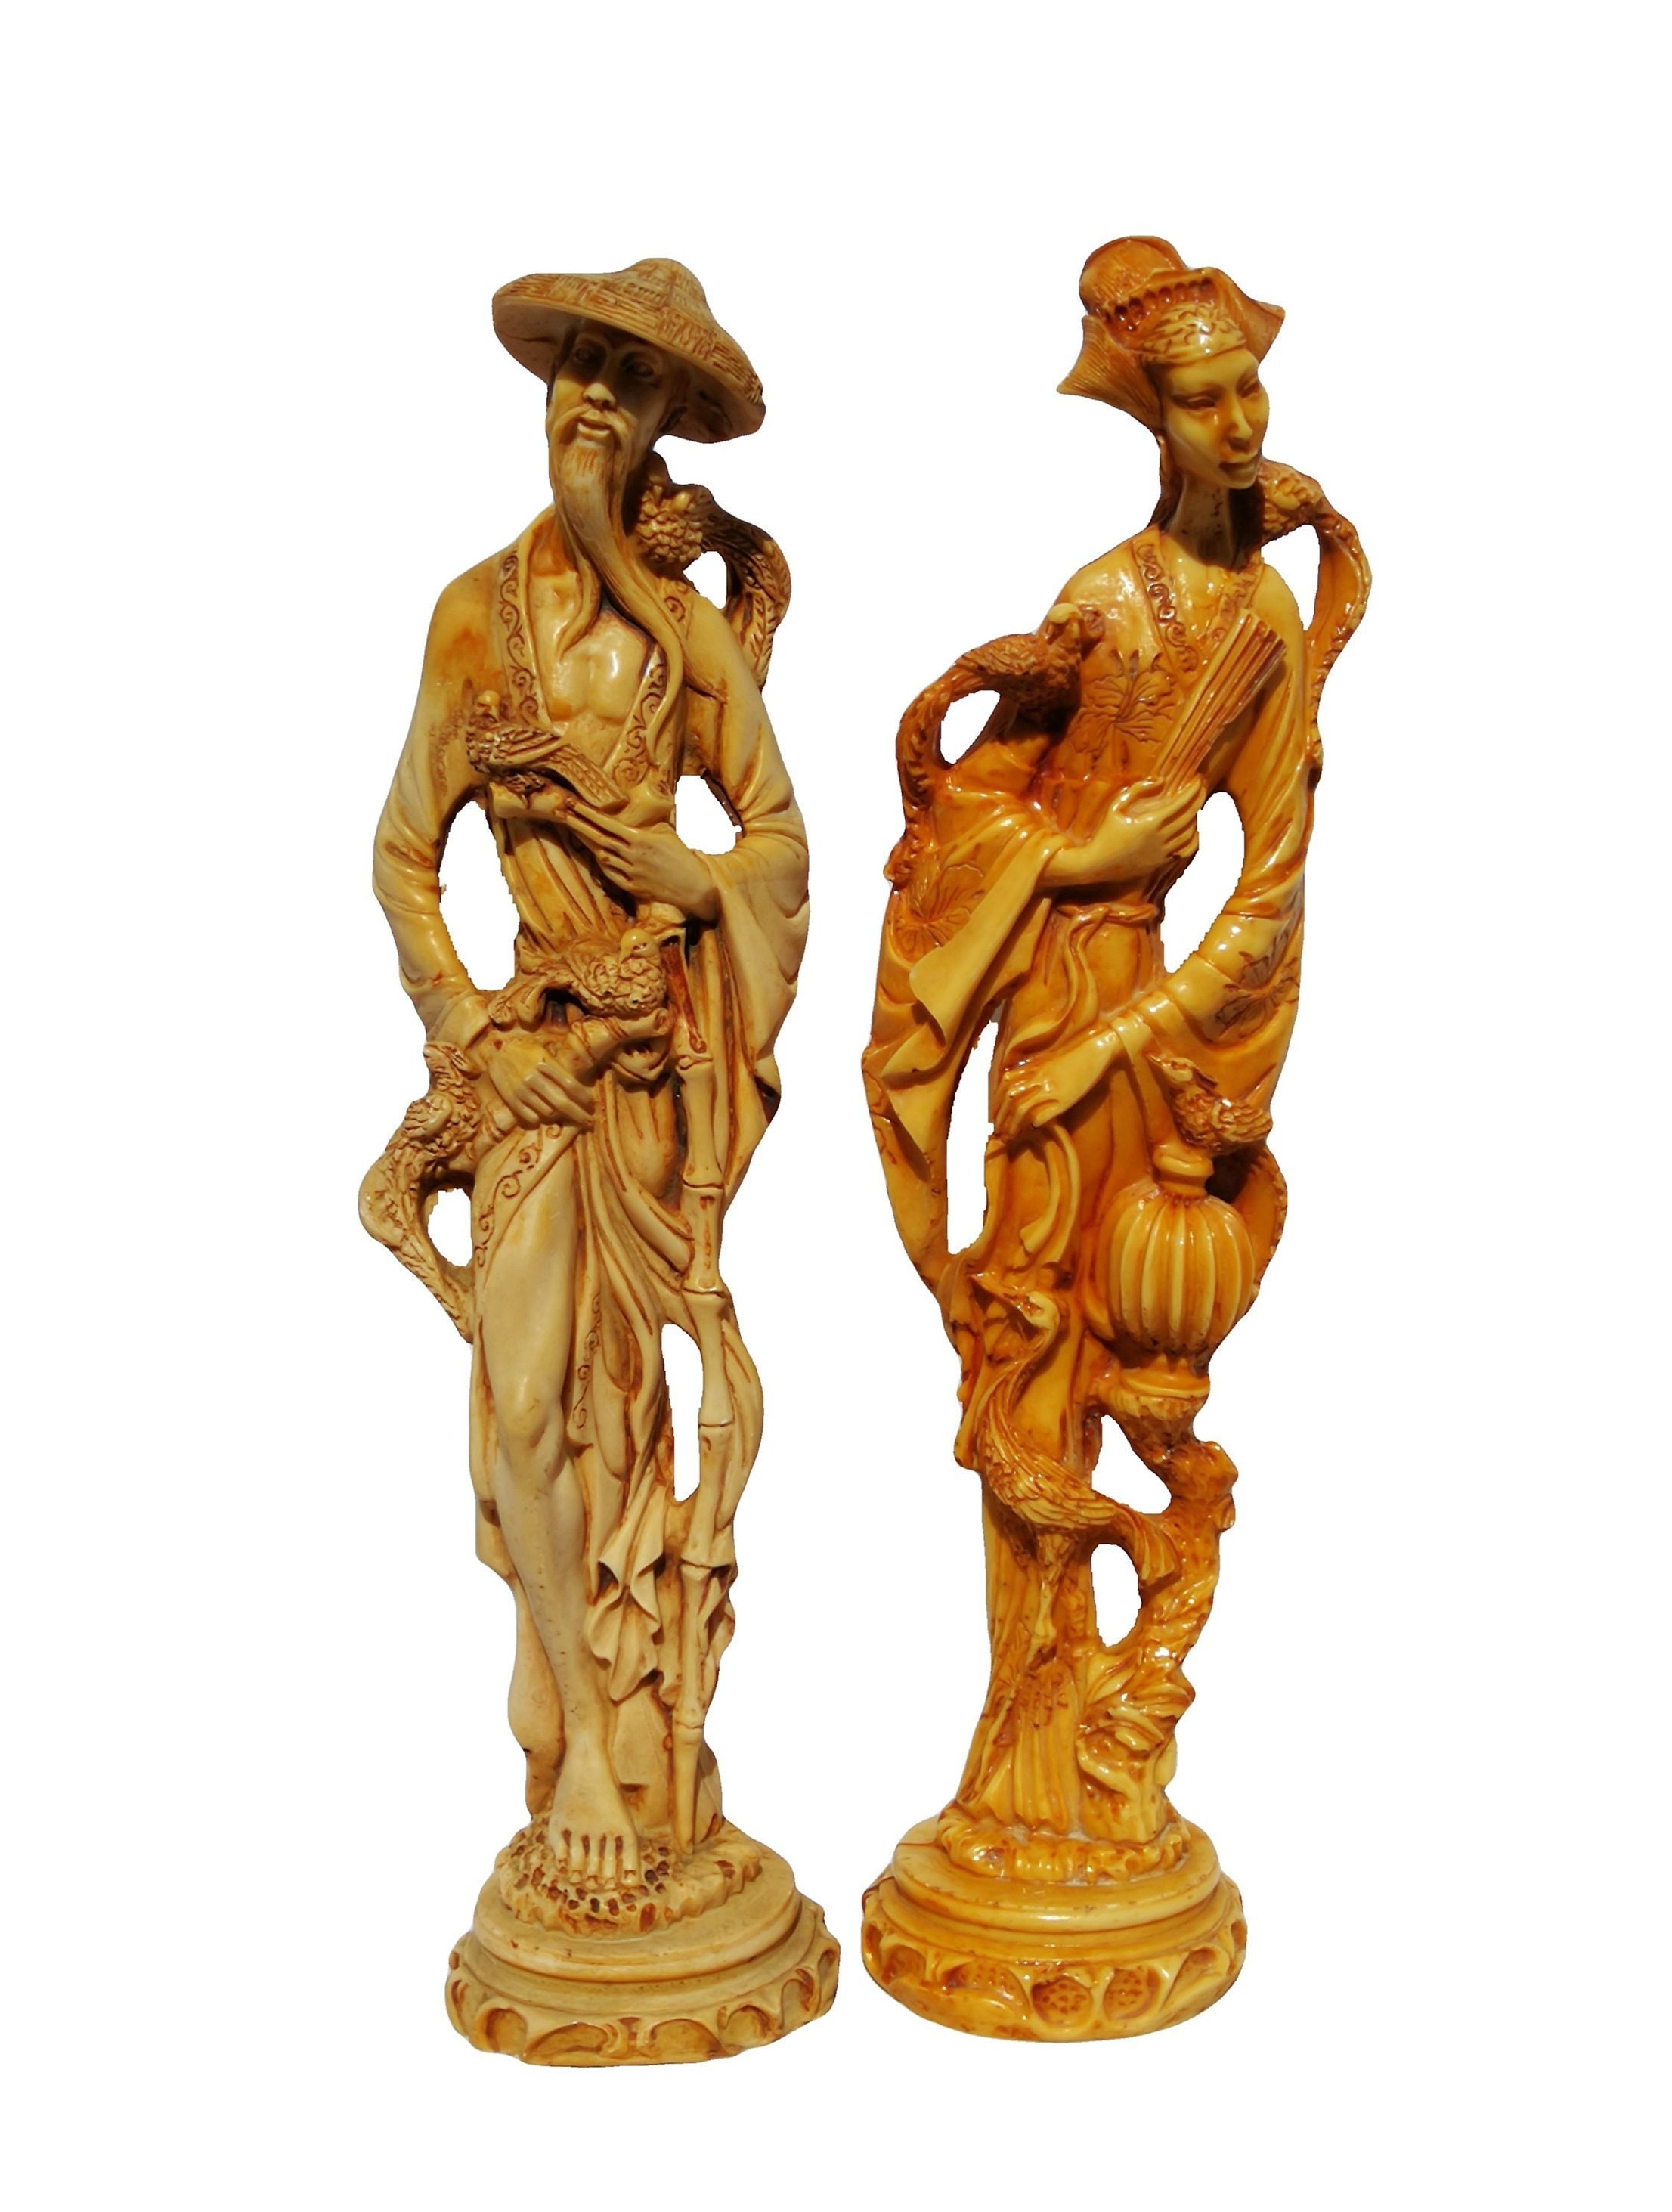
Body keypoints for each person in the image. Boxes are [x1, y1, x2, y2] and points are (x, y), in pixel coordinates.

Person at [865, 237, 1369, 1864]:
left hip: (1141, 1031)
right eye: (1202, 400)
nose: (1238, 423)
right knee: (1028, 1357)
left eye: (1249, 390)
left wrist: (1130, 1047)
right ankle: (1022, 1750)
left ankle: (1101, 1734)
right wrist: (1077, 863)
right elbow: (968, 818)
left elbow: (1270, 883)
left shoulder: (1265, 623)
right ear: (1153, 420)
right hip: (1044, 1003)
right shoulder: (1103, 603)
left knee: (1128, 1347)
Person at [370, 262, 807, 1892]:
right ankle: (572, 1746)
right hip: (535, 1072)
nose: (594, 401)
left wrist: (687, 876)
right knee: (520, 1414)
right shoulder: (472, 616)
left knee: (642, 1417)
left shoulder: (687, 641)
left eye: (631, 380)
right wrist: (471, 1029)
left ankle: (626, 1752)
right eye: (578, 367)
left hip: (656, 1076)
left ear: (669, 419)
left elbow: (778, 847)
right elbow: (403, 854)